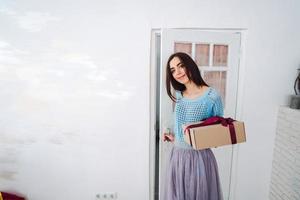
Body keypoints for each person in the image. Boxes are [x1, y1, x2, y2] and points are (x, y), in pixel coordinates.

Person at [163, 52, 224, 200]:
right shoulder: (179, 94)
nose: (177, 73)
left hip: (200, 159)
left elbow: (218, 133)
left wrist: (199, 139)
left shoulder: (212, 96)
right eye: (172, 70)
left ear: (190, 65)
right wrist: (174, 136)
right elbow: (180, 123)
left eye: (180, 66)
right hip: (177, 156)